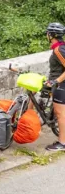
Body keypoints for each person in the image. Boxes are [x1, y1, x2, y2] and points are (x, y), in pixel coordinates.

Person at [44, 22, 65, 152]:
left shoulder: (58, 50)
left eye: (48, 33)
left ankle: (62, 143)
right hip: (59, 83)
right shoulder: (61, 47)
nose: (47, 35)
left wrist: (55, 81)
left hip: (61, 85)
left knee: (60, 114)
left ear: (51, 35)